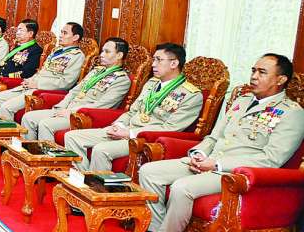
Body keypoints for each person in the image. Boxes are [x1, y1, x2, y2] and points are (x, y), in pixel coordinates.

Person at [134, 54, 304, 232]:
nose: (254, 76)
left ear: (280, 79)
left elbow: (271, 160)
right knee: (149, 172)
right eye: (253, 70)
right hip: (209, 161)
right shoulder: (241, 102)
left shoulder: (292, 114)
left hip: (236, 173)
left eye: (262, 72)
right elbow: (213, 137)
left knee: (182, 187)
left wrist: (217, 165)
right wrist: (198, 154)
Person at [64, 43, 203, 172]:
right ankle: (80, 178)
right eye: (153, 59)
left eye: (159, 60)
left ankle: (96, 188)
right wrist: (118, 125)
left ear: (174, 63)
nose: (153, 64)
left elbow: (171, 128)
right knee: (72, 137)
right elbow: (132, 112)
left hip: (143, 139)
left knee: (101, 150)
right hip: (125, 129)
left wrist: (130, 133)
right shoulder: (151, 84)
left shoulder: (191, 95)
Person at [20, 37, 131, 141]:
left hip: (82, 116)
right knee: (28, 117)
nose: (101, 55)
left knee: (46, 124)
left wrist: (73, 112)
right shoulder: (96, 71)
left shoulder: (122, 80)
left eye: (107, 52)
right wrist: (61, 106)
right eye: (102, 51)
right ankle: (27, 151)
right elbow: (74, 91)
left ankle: (47, 155)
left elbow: (102, 105)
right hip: (67, 109)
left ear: (119, 55)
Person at [0, 22, 87, 120]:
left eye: (65, 33)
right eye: (61, 32)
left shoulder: (77, 56)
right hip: (31, 85)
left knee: (6, 107)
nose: (61, 35)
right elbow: (42, 71)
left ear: (75, 37)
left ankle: (5, 133)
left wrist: (38, 84)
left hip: (43, 90)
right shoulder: (57, 51)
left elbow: (66, 82)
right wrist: (30, 80)